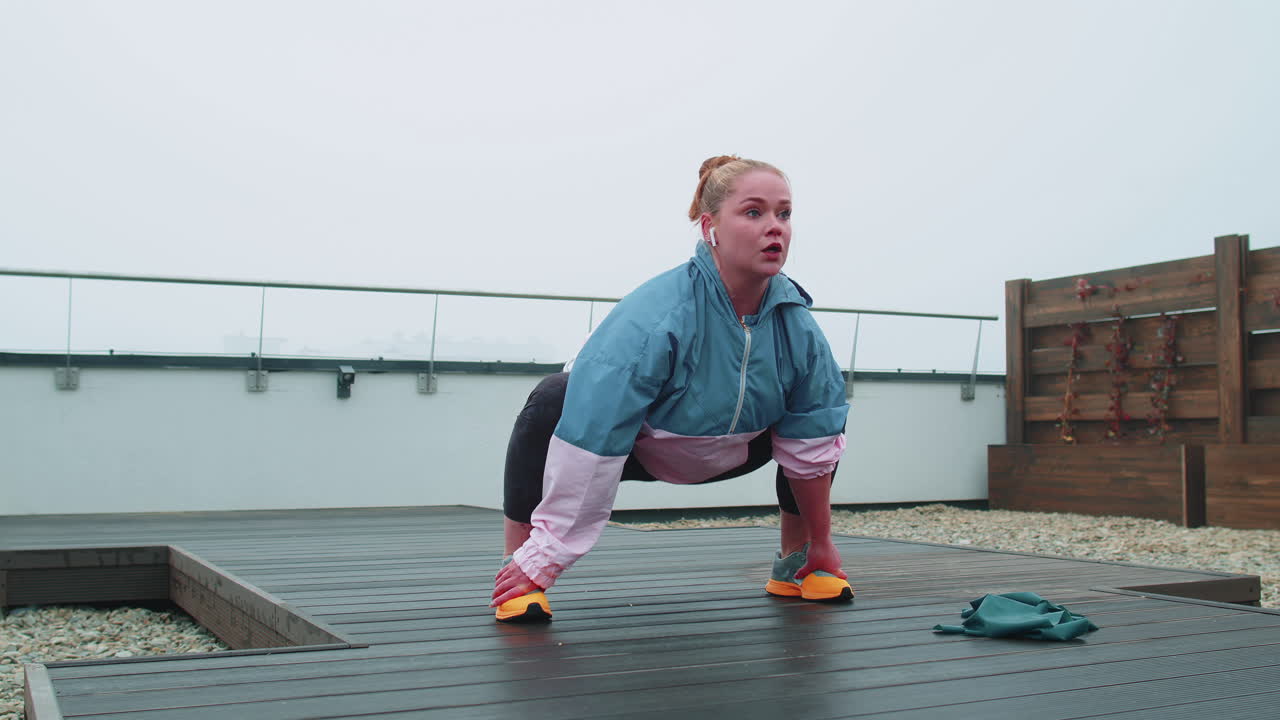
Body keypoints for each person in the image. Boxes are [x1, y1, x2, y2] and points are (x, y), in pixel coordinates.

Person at [491, 155, 851, 622]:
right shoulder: (655, 314)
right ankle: (519, 570)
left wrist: (824, 543)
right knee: (552, 399)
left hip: (736, 449)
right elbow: (592, 440)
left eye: (784, 213)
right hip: (635, 448)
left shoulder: (797, 326)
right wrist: (546, 557)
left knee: (821, 421)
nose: (775, 227)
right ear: (710, 227)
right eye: (753, 212)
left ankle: (798, 563)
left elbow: (814, 437)